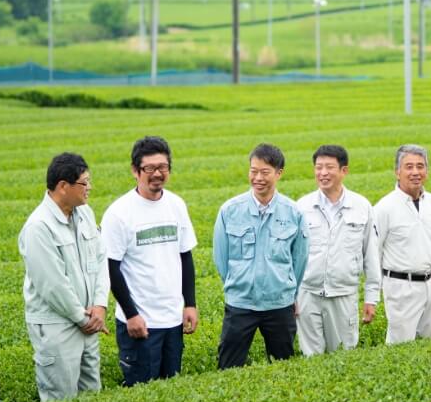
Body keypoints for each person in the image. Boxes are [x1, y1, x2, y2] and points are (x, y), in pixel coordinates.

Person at [101, 136, 199, 386]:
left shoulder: (176, 205)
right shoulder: (118, 213)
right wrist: (131, 314)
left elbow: (185, 256)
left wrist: (190, 304)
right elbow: (111, 268)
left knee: (171, 389)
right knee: (141, 391)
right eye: (150, 168)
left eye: (163, 167)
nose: (157, 173)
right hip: (140, 323)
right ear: (136, 171)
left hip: (172, 319)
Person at [18, 152, 108, 402]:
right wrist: (83, 318)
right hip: (58, 325)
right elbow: (52, 285)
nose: (89, 188)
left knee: (92, 395)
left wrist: (100, 306)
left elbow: (101, 259)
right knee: (61, 401)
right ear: (63, 186)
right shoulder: (39, 227)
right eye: (84, 183)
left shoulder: (85, 213)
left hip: (90, 321)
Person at [211, 143, 308, 369]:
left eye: (265, 172)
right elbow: (221, 257)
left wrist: (289, 290)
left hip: (279, 303)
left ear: (278, 173)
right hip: (240, 303)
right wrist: (238, 284)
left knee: (283, 366)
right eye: (253, 171)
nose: (258, 178)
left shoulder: (293, 212)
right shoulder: (230, 210)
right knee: (229, 366)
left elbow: (300, 259)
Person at [293, 144, 380, 355]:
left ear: (344, 171)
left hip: (344, 294)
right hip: (308, 294)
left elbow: (371, 254)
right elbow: (291, 255)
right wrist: (291, 296)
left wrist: (371, 297)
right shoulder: (301, 207)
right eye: (318, 167)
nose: (323, 173)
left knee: (343, 355)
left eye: (329, 167)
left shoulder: (361, 206)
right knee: (310, 357)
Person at [371, 144, 431, 345]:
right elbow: (374, 252)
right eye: (409, 167)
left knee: (426, 342)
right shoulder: (384, 208)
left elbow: (430, 240)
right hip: (401, 285)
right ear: (397, 171)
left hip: (430, 282)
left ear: (427, 171)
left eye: (420, 166)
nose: (415, 172)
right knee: (399, 345)